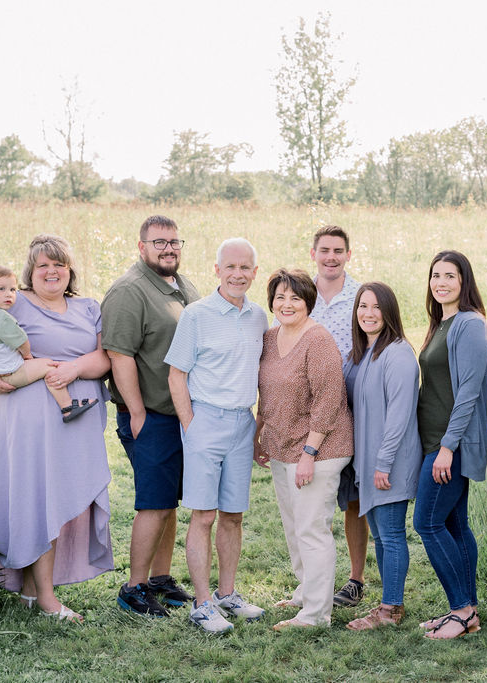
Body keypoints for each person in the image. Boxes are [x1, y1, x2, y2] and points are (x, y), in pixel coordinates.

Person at [0, 234, 113, 623]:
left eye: (58, 263)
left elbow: (104, 358)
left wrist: (73, 368)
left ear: (69, 269)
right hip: (28, 418)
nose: (51, 271)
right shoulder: (13, 300)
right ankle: (45, 596)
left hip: (78, 414)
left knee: (63, 497)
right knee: (41, 499)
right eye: (42, 264)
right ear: (30, 270)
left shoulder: (88, 307)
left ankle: (31, 589)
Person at [165, 237, 268, 634]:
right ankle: (202, 604)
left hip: (243, 423)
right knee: (204, 515)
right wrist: (191, 425)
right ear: (217, 270)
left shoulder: (260, 316)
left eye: (246, 268)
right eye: (231, 267)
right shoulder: (197, 314)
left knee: (233, 515)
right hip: (205, 420)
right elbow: (177, 374)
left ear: (254, 273)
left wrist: (257, 423)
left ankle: (228, 594)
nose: (238, 274)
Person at [101, 215, 200, 618]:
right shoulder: (130, 291)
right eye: (159, 242)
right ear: (141, 247)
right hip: (151, 415)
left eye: (174, 241)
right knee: (153, 504)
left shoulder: (181, 285)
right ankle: (134, 587)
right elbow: (119, 356)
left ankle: (160, 578)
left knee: (169, 502)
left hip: (179, 413)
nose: (168, 248)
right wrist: (137, 411)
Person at [254, 269, 354, 631]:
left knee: (312, 528)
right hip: (282, 446)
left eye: (295, 297)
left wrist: (309, 455)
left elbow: (329, 401)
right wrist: (258, 433)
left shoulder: (318, 340)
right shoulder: (269, 337)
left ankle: (315, 615)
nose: (287, 304)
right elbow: (267, 392)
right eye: (280, 297)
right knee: (294, 526)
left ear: (308, 301)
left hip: (321, 448)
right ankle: (305, 592)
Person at [414, 250, 487, 640]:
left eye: (450, 275)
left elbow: (468, 393)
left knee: (426, 522)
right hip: (435, 441)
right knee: (454, 523)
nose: (441, 282)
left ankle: (461, 610)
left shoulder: (469, 323)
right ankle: (467, 611)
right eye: (436, 275)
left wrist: (447, 446)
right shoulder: (440, 322)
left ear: (464, 281)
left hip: (451, 443)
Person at [342, 282, 422, 631]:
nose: (368, 313)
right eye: (362, 306)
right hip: (369, 463)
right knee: (380, 536)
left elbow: (400, 416)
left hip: (389, 464)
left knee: (390, 534)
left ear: (389, 312)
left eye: (376, 307)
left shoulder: (398, 353)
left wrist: (383, 463)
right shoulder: (363, 354)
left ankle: (390, 610)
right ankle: (389, 603)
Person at [304, 225, 369, 608]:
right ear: (313, 253)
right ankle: (313, 580)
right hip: (310, 412)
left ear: (348, 254)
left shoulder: (360, 296)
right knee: (313, 500)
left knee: (353, 498)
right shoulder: (301, 295)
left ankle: (355, 579)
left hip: (354, 406)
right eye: (324, 250)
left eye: (338, 251)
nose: (331, 256)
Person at [0, 265, 97, 429]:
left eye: (13, 290)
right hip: (10, 370)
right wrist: (27, 355)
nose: (9, 294)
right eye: (1, 289)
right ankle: (67, 406)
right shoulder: (2, 319)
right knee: (48, 366)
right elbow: (21, 340)